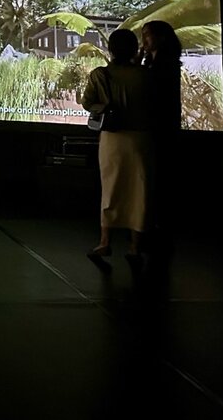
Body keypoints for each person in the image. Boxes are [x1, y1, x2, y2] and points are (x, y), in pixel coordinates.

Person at [81, 28, 155, 275]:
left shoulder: (100, 74)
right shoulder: (146, 75)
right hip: (141, 139)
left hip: (112, 139)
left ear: (110, 49)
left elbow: (87, 102)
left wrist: (105, 106)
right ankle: (135, 246)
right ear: (134, 49)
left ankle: (105, 242)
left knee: (110, 189)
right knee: (139, 192)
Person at [139, 18, 183, 257]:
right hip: (157, 128)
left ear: (161, 38)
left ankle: (159, 228)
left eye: (147, 34)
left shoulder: (164, 65)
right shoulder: (156, 63)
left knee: (160, 178)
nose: (144, 40)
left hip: (161, 129)